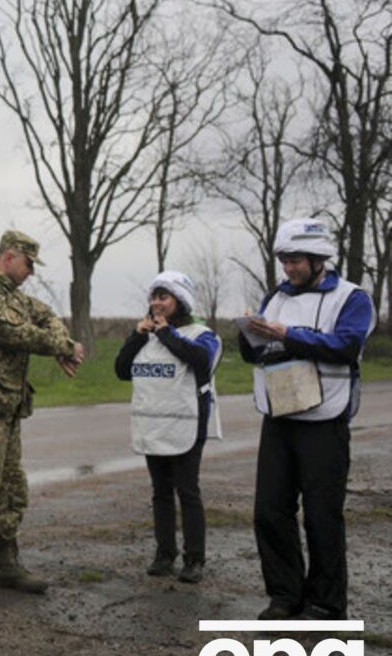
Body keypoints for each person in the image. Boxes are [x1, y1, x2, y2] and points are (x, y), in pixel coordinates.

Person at [240, 218, 375, 622]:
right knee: (269, 511)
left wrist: (288, 334)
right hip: (279, 417)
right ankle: (285, 595)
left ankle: (326, 603)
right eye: (284, 260)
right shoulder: (276, 297)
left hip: (324, 421)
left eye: (296, 260)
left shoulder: (352, 298)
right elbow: (257, 351)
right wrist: (249, 334)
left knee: (321, 516)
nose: (289, 268)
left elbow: (346, 345)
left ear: (319, 260)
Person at [0, 229, 84, 602]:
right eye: (28, 264)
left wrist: (61, 343)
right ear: (8, 257)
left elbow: (46, 316)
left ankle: (5, 564)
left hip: (6, 404)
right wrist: (64, 346)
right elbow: (15, 333)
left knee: (10, 487)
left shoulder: (13, 296)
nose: (31, 272)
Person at [113, 271, 222, 584]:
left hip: (187, 426)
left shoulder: (202, 335)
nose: (157, 303)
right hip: (153, 427)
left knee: (187, 491)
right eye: (154, 297)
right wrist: (137, 335)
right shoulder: (146, 336)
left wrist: (165, 334)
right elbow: (121, 370)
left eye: (164, 297)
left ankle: (194, 559)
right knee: (160, 492)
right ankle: (164, 554)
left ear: (180, 301)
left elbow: (201, 361)